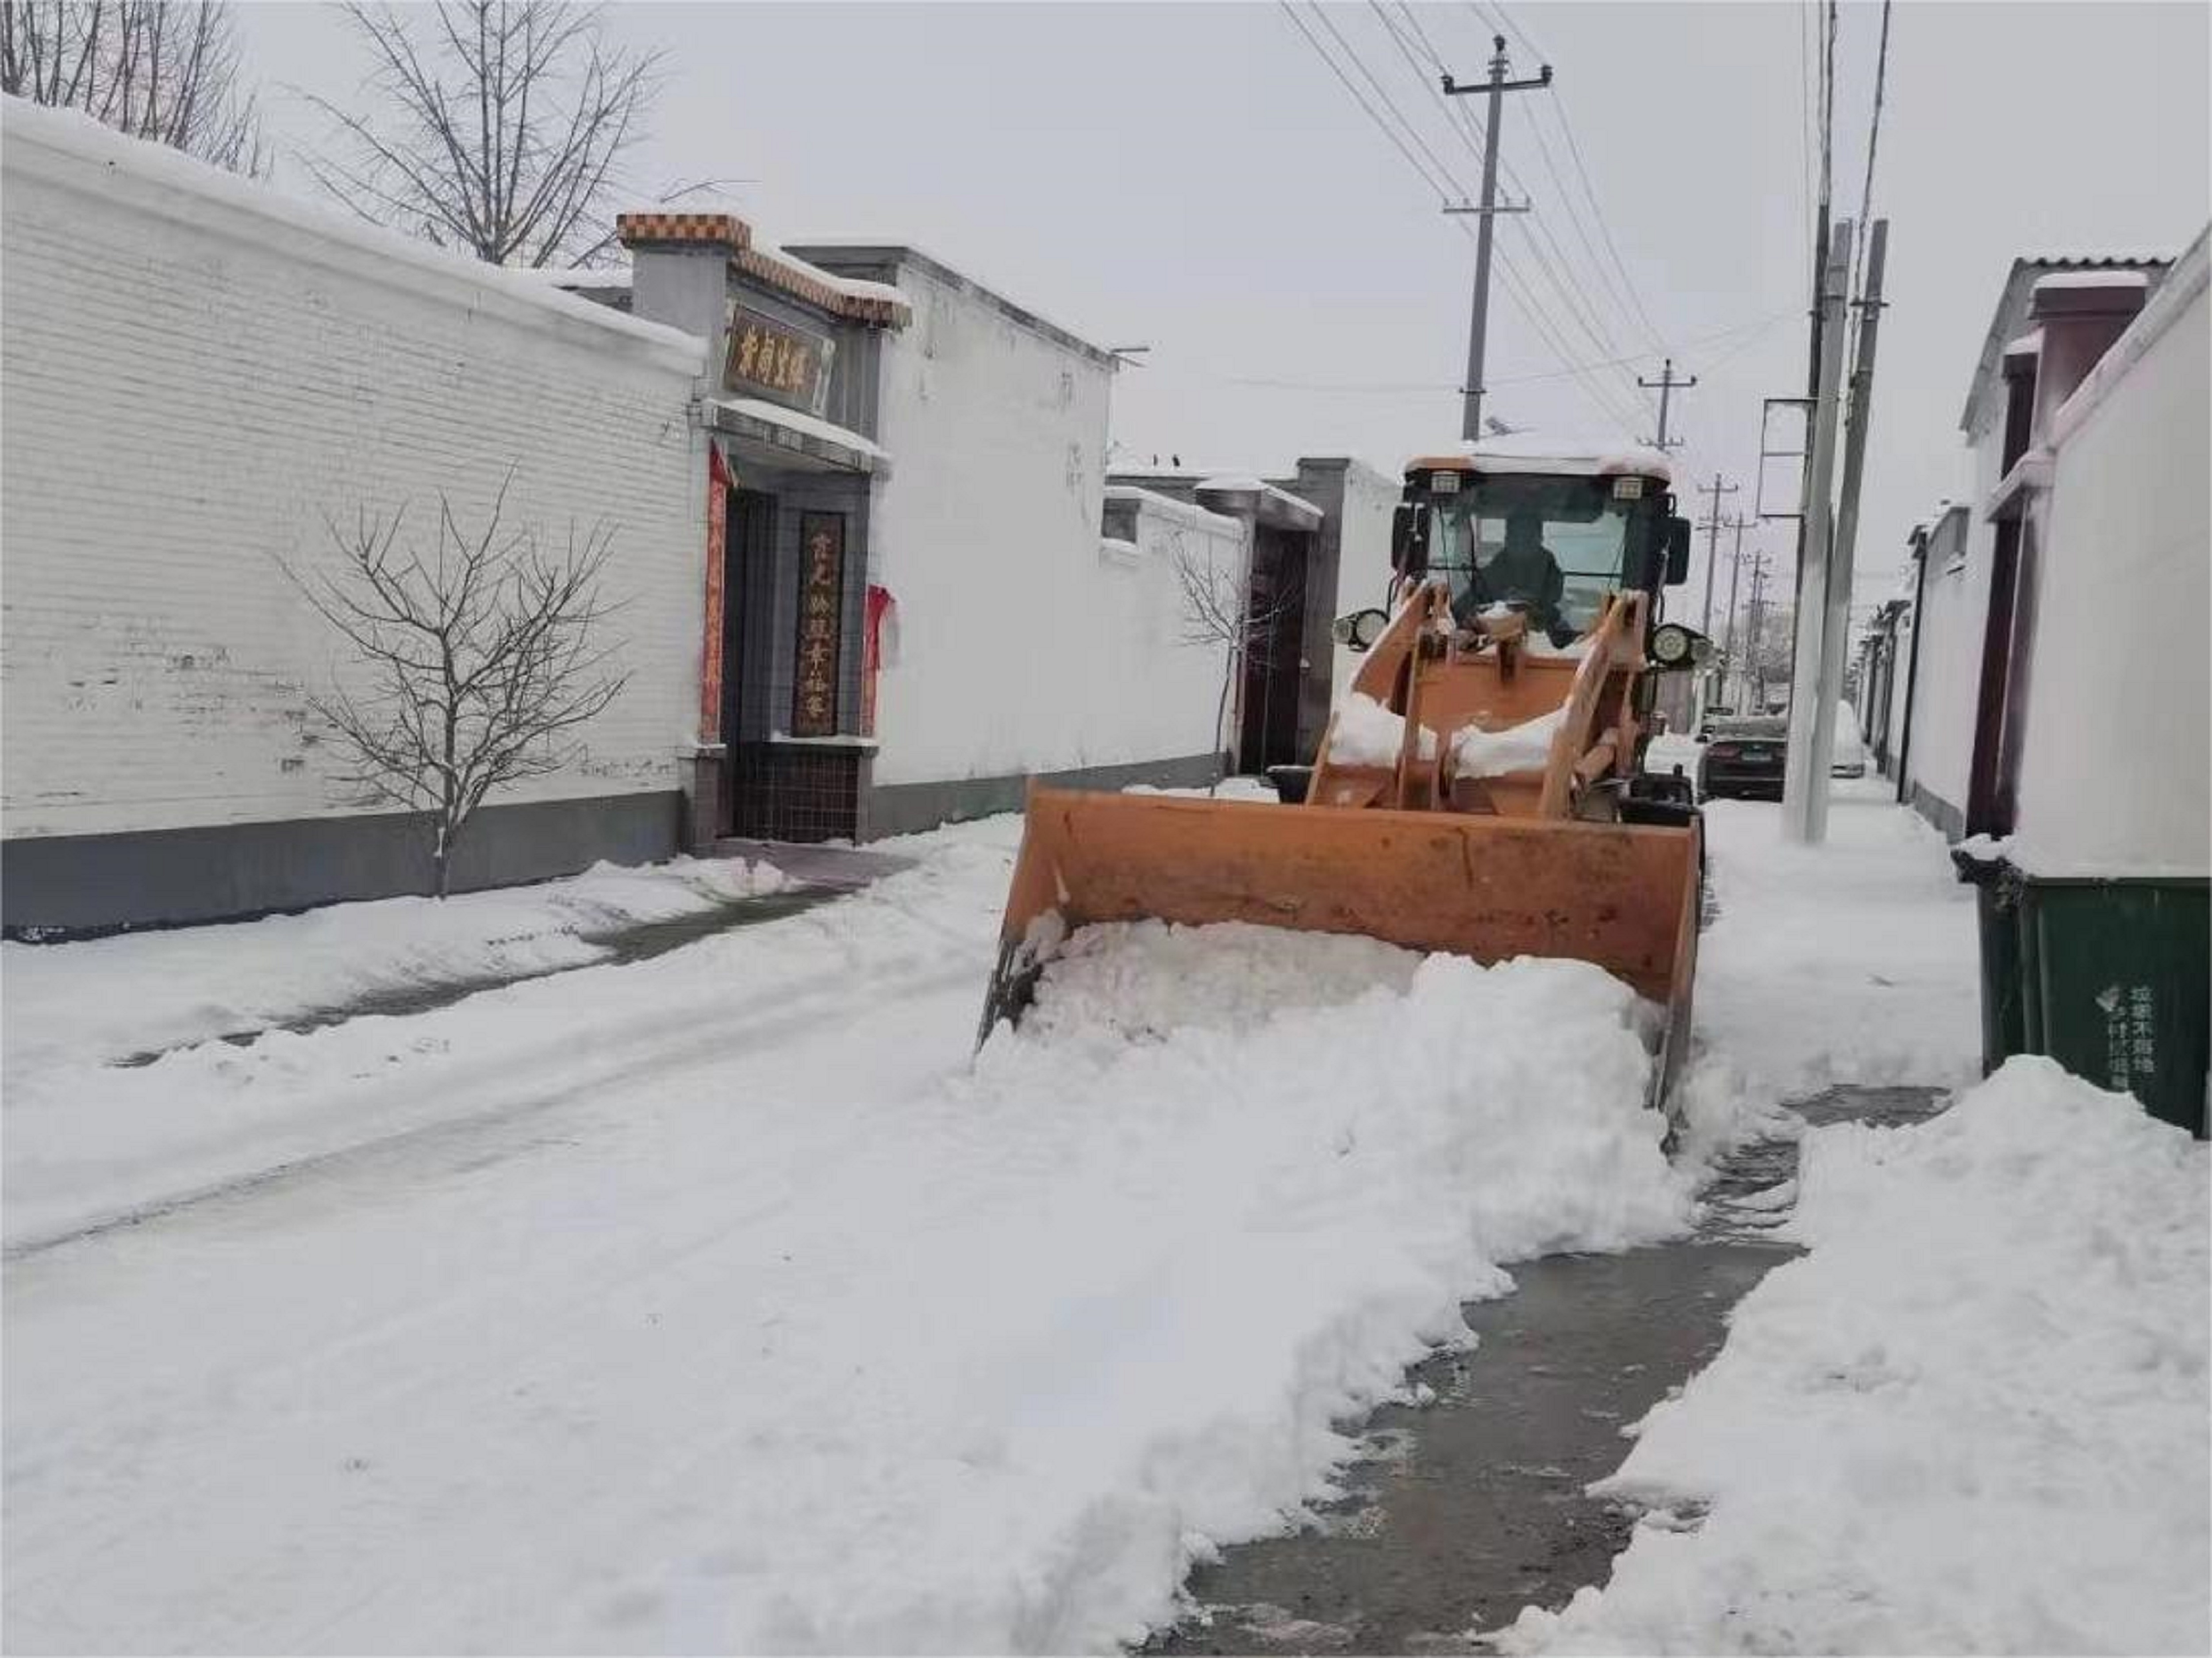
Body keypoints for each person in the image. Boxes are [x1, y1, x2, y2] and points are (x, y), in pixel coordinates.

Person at [1455, 508, 1570, 643]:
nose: (1521, 543)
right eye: (1516, 537)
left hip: (1539, 646)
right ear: (1507, 539)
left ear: (1539, 539)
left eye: (1528, 538)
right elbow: (1459, 614)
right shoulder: (1486, 579)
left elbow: (1567, 642)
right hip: (1486, 649)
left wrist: (1532, 607)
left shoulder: (1551, 576)